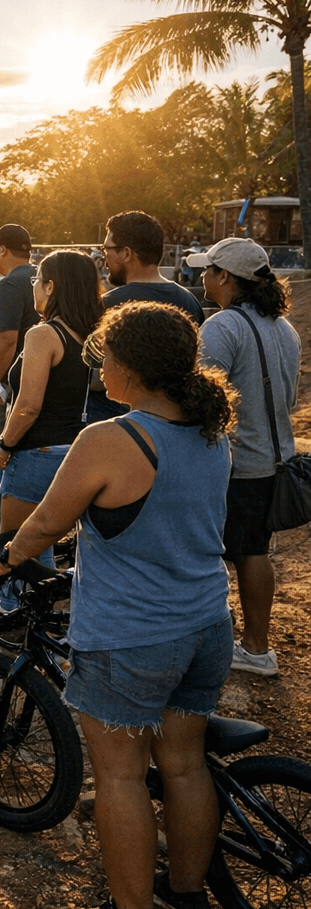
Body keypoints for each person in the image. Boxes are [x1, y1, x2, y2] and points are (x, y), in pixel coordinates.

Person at [0, 303, 236, 909]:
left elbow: (44, 523)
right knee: (182, 762)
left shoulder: (113, 439)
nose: (99, 369)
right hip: (205, 620)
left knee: (118, 774)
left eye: (105, 358)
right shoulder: (211, 430)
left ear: (134, 367)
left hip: (133, 632)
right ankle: (187, 896)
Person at [195, 237, 301, 677]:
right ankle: (255, 644)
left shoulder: (222, 326)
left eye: (208, 269)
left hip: (238, 461)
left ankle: (255, 648)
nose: (202, 275)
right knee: (253, 548)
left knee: (241, 551)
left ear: (225, 276)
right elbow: (290, 397)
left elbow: (202, 396)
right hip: (275, 457)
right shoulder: (284, 327)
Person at [0, 251, 104, 617]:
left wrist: (5, 443)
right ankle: (43, 616)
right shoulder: (86, 335)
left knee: (15, 544)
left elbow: (28, 406)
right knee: (43, 541)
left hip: (35, 452)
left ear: (51, 286)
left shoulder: (44, 334)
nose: (33, 287)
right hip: (72, 451)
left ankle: (12, 618)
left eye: (37, 280)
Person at [87, 211, 205, 422]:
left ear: (126, 253)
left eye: (107, 248)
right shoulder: (189, 302)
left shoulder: (108, 305)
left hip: (115, 424)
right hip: (173, 423)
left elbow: (93, 376)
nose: (105, 256)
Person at [0, 224, 41, 539]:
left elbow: (5, 338)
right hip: (38, 380)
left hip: (10, 385)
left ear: (2, 249)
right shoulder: (42, 277)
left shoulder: (9, 284)